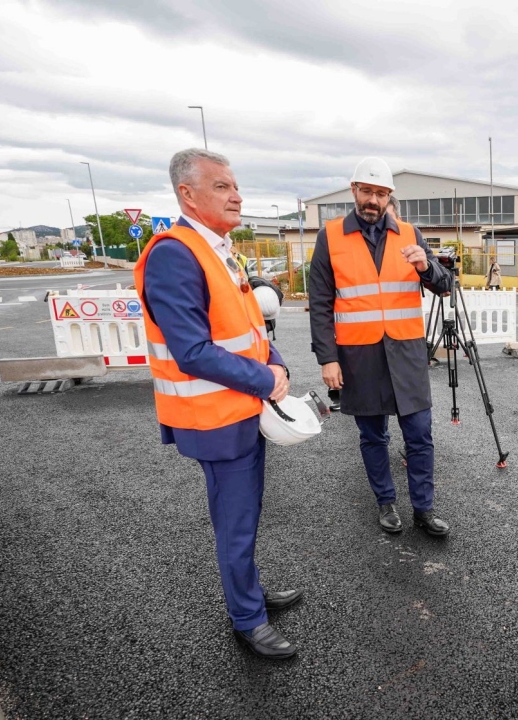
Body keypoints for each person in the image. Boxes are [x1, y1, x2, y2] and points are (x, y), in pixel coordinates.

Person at [134, 148, 303, 660]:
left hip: (241, 410)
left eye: (235, 186)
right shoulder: (175, 254)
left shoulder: (219, 249)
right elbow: (192, 351)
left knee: (246, 515)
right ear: (187, 194)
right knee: (235, 521)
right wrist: (265, 379)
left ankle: (248, 593)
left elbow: (251, 325)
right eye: (222, 187)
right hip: (215, 419)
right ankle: (247, 618)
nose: (237, 196)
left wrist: (276, 363)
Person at [309, 157, 454, 536]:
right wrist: (328, 358)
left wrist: (426, 267)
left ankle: (423, 509)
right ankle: (386, 503)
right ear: (354, 190)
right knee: (373, 435)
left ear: (389, 196)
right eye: (367, 191)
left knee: (419, 434)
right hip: (359, 355)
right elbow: (320, 302)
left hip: (406, 353)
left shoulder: (410, 233)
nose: (373, 199)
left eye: (381, 193)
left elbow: (444, 284)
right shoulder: (330, 236)